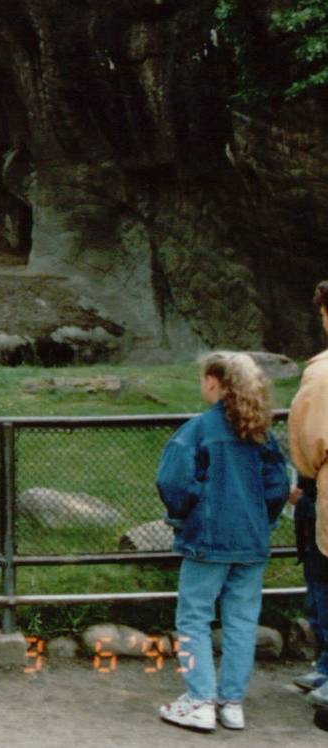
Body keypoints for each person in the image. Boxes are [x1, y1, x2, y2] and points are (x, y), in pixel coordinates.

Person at [155, 352, 290, 733]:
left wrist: (184, 515)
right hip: (251, 542)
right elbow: (277, 487)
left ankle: (199, 699)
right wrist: (262, 522)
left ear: (213, 382)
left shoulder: (198, 430)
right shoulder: (260, 434)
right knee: (242, 621)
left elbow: (172, 482)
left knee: (194, 618)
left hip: (207, 541)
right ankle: (231, 702)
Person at [293, 281, 328, 712]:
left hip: (322, 483)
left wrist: (304, 477)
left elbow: (311, 438)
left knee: (322, 577)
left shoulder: (321, 374)